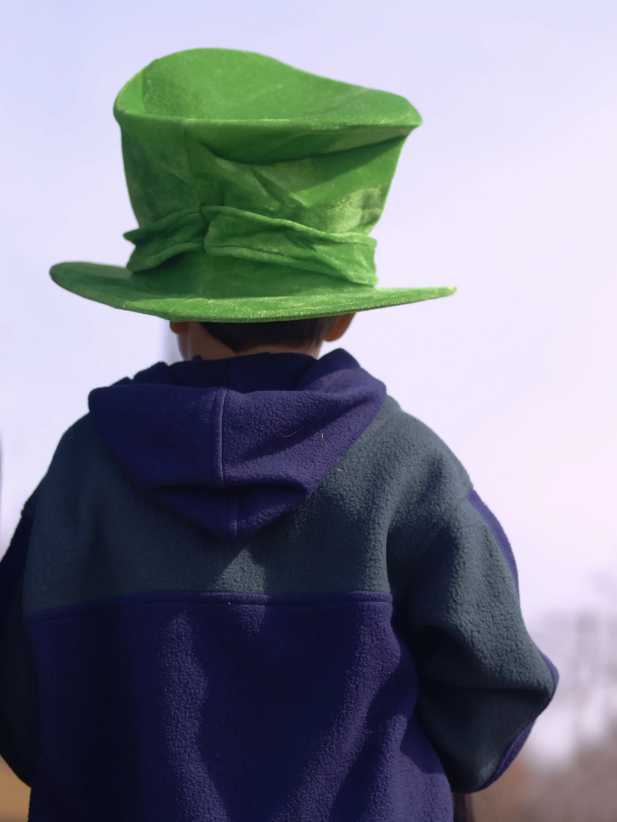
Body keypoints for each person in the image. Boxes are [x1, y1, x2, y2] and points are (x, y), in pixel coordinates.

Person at [0, 48, 558, 822]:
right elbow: (494, 690)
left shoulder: (83, 471)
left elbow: (22, 714)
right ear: (343, 311)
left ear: (171, 306)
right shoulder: (405, 467)